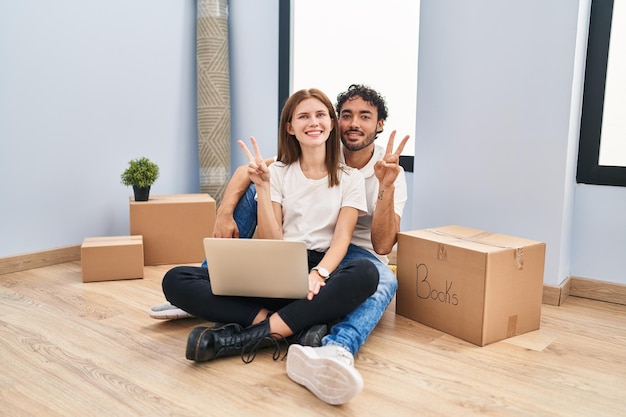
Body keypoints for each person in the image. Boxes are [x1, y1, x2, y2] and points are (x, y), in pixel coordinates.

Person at [152, 84, 409, 405]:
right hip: (286, 256)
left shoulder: (367, 174)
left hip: (348, 259)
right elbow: (250, 173)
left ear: (379, 124)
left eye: (365, 117)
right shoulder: (301, 156)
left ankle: (333, 348)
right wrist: (226, 209)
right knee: (175, 278)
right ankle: (296, 326)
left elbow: (381, 246)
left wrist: (386, 186)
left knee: (379, 277)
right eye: (346, 115)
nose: (354, 123)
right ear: (335, 122)